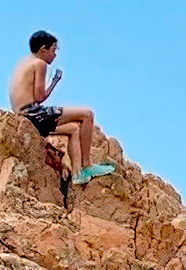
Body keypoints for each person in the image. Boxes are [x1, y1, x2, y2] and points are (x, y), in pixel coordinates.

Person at [7, 31, 115, 186]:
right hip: (32, 113)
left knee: (73, 129)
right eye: (54, 50)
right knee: (87, 114)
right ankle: (86, 165)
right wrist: (54, 81)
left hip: (23, 114)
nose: (55, 55)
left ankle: (78, 174)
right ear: (43, 49)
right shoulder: (39, 63)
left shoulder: (24, 63)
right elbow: (39, 97)